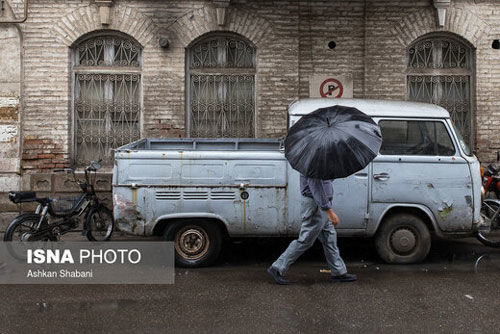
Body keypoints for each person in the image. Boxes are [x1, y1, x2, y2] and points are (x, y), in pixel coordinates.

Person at [267, 174, 357, 284]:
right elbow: (317, 187)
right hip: (316, 206)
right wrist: (329, 210)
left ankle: (338, 272)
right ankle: (277, 268)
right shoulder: (314, 165)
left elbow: (325, 181)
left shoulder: (320, 162)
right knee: (305, 240)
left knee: (329, 238)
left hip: (321, 205)